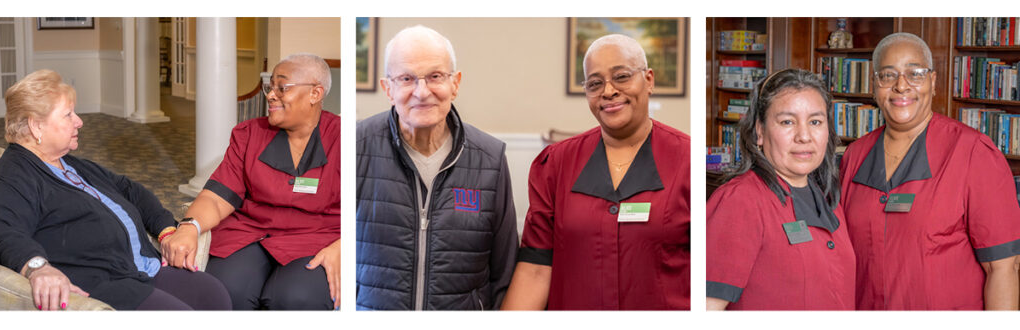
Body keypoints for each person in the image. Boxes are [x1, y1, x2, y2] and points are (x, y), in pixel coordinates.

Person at [0, 70, 231, 310]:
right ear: (36, 126)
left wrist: (166, 230)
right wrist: (37, 268)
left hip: (140, 268)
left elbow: (132, 191)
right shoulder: (13, 175)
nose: (79, 121)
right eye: (68, 115)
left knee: (214, 295)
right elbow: (4, 229)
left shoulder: (71, 164)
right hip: (104, 282)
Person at [502, 34, 690, 310]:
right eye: (595, 83)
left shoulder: (688, 161)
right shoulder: (555, 164)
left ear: (648, 80)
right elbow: (535, 267)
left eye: (622, 76)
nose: (609, 91)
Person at [840, 32, 1020, 310]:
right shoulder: (854, 155)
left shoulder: (973, 153)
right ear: (875, 85)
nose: (901, 86)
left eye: (915, 73)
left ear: (933, 83)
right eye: (888, 75)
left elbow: (1003, 269)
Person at [160, 53, 340, 310]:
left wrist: (345, 246)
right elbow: (216, 196)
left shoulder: (349, 141)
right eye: (270, 87)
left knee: (294, 298)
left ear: (315, 93)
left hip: (316, 238)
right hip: (250, 234)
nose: (270, 95)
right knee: (222, 291)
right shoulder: (249, 135)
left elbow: (372, 210)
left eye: (282, 87)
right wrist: (189, 227)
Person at [356, 25, 518, 310]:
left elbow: (504, 270)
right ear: (388, 88)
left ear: (455, 84)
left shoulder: (491, 157)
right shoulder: (356, 146)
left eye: (435, 77)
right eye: (407, 78)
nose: (422, 92)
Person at [705, 69, 855, 310]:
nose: (804, 136)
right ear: (760, 132)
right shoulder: (739, 200)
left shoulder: (827, 196)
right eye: (787, 122)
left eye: (815, 121)